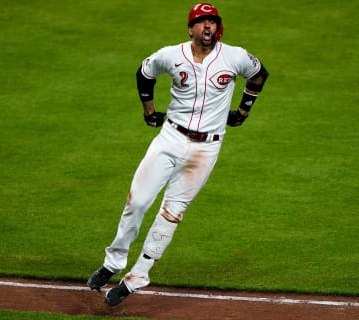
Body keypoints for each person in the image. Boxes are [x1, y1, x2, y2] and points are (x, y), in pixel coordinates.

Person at [87, 2, 269, 306]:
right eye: (201, 22)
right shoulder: (171, 55)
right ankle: (114, 261)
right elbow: (144, 73)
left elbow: (260, 74)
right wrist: (148, 111)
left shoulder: (234, 56)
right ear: (190, 28)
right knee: (138, 201)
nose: (208, 27)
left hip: (206, 148)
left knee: (171, 213)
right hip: (169, 138)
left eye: (213, 22)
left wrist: (244, 110)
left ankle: (137, 276)